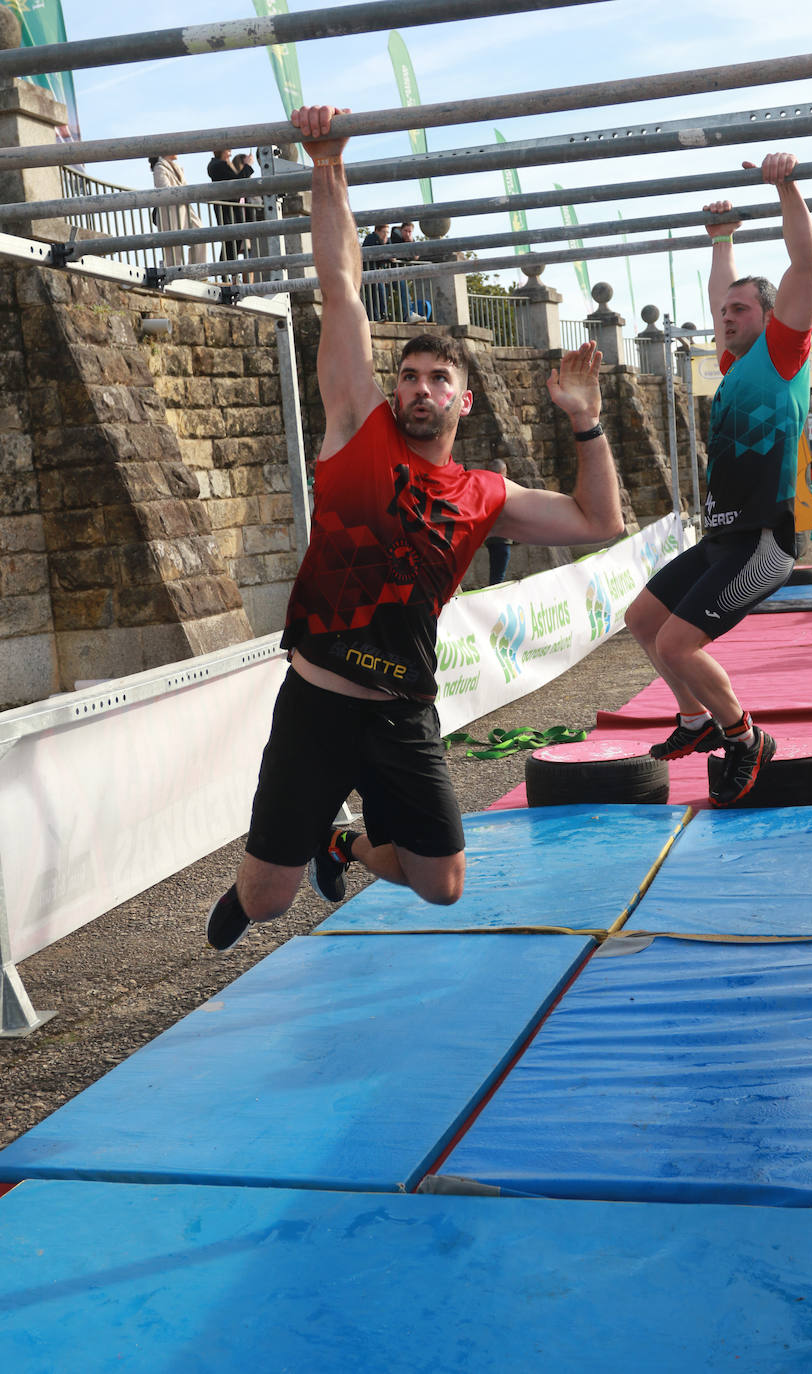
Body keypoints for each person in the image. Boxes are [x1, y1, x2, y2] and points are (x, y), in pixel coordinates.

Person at [206, 101, 625, 951]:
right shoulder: (357, 433)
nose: (421, 388)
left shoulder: (485, 490)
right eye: (411, 375)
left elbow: (598, 520)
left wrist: (586, 421)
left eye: (440, 379)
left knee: (442, 884)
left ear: (463, 401)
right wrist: (326, 164)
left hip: (403, 711)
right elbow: (342, 287)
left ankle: (348, 843)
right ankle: (295, 855)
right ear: (393, 389)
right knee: (265, 902)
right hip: (317, 706)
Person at [624, 151, 812, 808]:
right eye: (725, 312)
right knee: (644, 619)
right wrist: (721, 240)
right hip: (723, 537)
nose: (726, 317)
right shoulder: (734, 367)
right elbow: (718, 292)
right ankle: (695, 719)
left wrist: (784, 186)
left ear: (768, 315)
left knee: (680, 640)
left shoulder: (784, 351)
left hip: (768, 537)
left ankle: (744, 737)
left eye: (740, 310)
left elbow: (806, 264)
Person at [149, 155, 207, 269]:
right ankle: (175, 273)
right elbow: (163, 188)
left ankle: (197, 271)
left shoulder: (176, 168)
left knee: (200, 234)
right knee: (173, 245)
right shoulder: (159, 167)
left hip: (184, 209)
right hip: (169, 211)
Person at [207, 149, 254, 269]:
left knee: (232, 241)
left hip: (229, 209)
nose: (230, 154)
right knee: (230, 241)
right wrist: (247, 166)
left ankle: (228, 272)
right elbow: (236, 184)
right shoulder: (218, 165)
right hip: (227, 209)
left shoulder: (219, 165)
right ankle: (226, 272)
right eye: (228, 150)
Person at [390, 220, 429, 322]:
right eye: (405, 231)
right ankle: (408, 315)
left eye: (410, 232)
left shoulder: (410, 240)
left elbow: (415, 256)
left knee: (405, 291)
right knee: (404, 289)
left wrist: (410, 243)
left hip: (399, 272)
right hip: (390, 272)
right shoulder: (395, 238)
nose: (407, 234)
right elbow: (402, 255)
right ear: (401, 230)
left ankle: (409, 314)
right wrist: (408, 255)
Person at [484, 459, 512, 583]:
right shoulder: (502, 488)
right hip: (502, 538)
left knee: (496, 574)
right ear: (502, 472)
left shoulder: (485, 489)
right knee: (497, 577)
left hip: (491, 538)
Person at [362, 222, 393, 321]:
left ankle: (382, 315)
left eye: (387, 232)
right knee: (374, 294)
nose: (385, 235)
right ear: (377, 231)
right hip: (369, 271)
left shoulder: (386, 240)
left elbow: (392, 254)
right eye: (384, 232)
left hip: (379, 273)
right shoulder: (370, 238)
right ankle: (376, 316)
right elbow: (373, 255)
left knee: (382, 293)